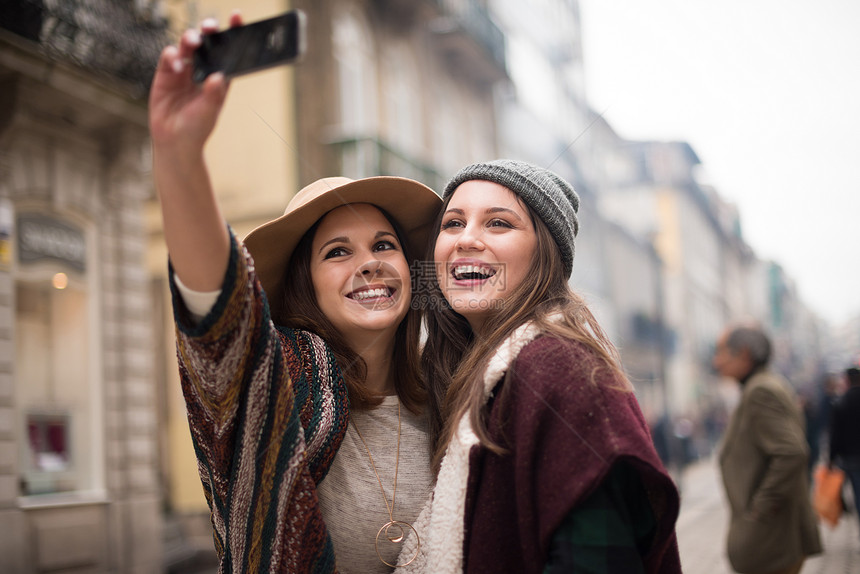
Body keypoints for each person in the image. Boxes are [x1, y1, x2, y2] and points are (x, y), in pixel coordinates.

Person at [149, 14, 442, 573]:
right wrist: (178, 154)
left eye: (384, 244)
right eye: (338, 252)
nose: (370, 264)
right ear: (307, 284)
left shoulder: (452, 397)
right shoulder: (282, 383)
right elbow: (219, 319)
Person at [396, 160, 682, 573]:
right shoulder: (470, 375)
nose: (467, 239)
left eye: (498, 223)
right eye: (453, 223)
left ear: (544, 254)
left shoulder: (561, 369)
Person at [712, 325, 822, 574]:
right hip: (773, 537)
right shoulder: (763, 385)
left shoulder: (761, 391)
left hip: (773, 539)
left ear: (744, 354)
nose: (716, 360)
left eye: (721, 352)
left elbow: (792, 452)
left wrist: (760, 510)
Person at [829, 366, 860, 542]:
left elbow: (836, 433)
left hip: (850, 458)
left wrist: (831, 458)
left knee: (857, 495)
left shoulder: (842, 402)